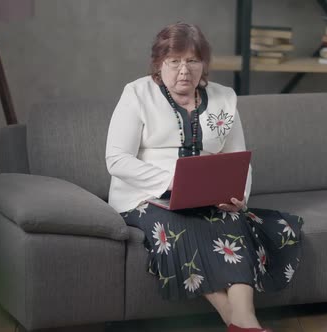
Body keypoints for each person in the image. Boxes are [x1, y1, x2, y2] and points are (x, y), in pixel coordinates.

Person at [105, 22, 303, 332]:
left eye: (193, 61)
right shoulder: (136, 94)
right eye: (175, 61)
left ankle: (243, 323)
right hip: (145, 197)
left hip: (209, 198)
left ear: (204, 65)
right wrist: (172, 182)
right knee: (180, 226)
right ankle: (243, 323)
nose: (184, 70)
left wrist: (238, 198)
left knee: (235, 222)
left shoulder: (225, 98)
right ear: (159, 63)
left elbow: (239, 159)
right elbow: (116, 160)